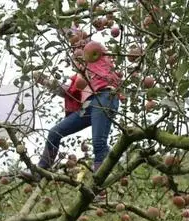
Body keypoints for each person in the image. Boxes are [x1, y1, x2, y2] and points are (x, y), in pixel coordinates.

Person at [22, 27, 121, 179]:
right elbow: (67, 91)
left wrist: (64, 27)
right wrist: (45, 81)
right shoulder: (81, 77)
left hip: (105, 96)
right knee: (55, 132)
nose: (75, 58)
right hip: (89, 105)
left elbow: (81, 40)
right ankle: (40, 172)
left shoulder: (96, 55)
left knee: (99, 143)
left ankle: (99, 186)